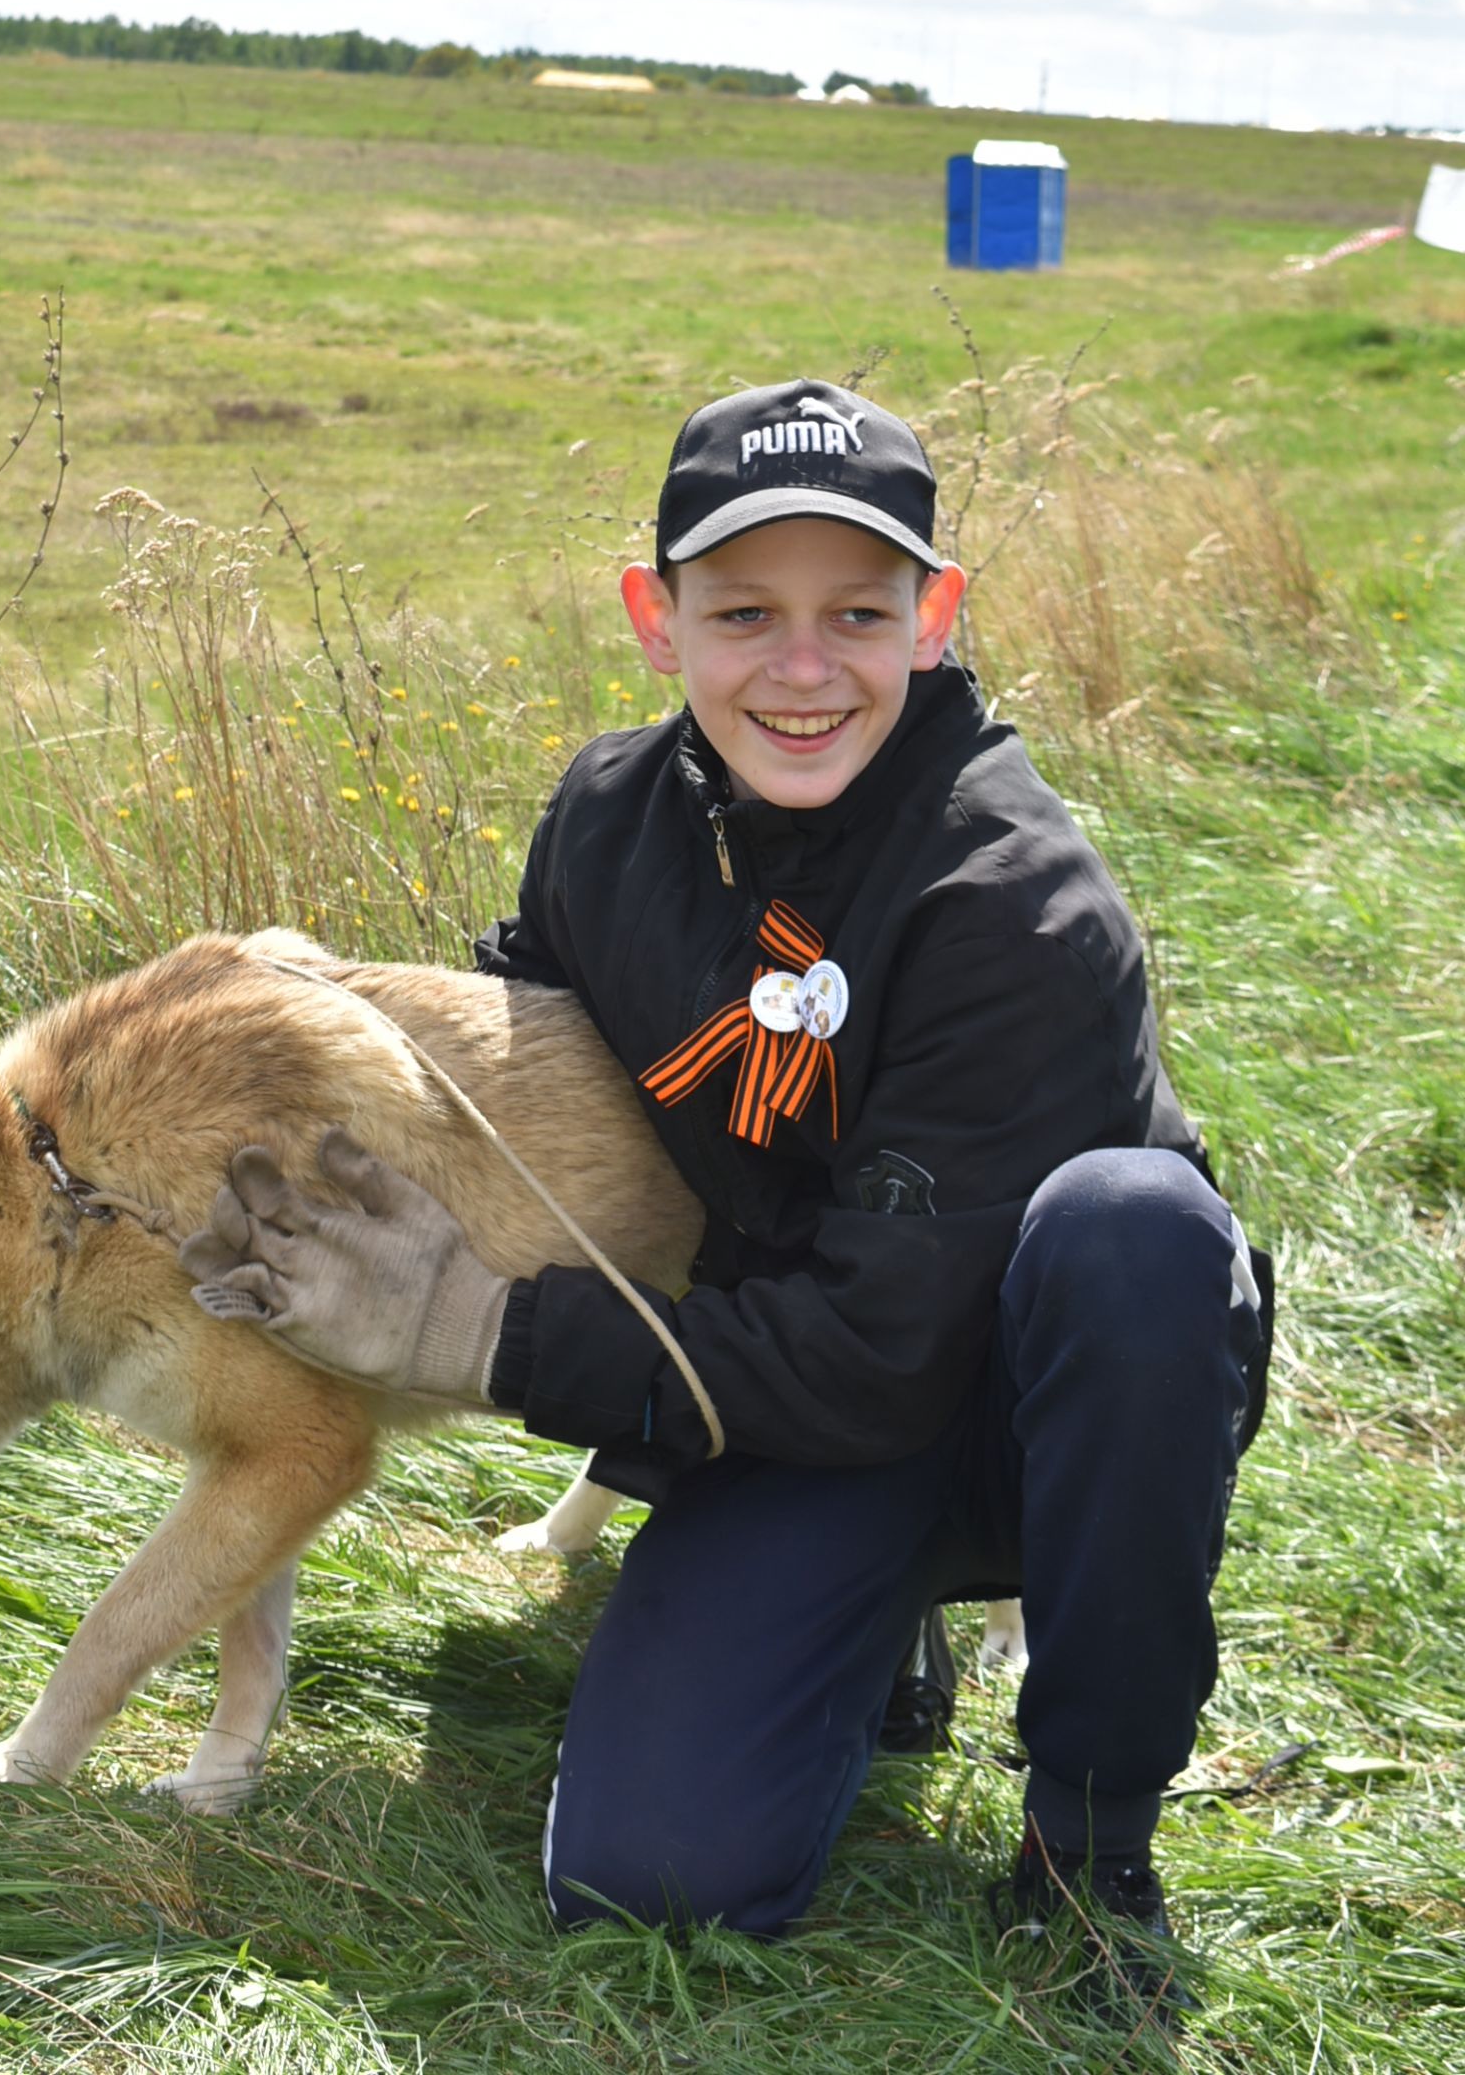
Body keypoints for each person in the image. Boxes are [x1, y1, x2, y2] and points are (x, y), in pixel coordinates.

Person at [183, 378, 1272, 2014]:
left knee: (1139, 1238)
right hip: (780, 1406)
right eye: (745, 610)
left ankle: (1090, 1836)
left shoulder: (1015, 904)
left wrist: (489, 1334)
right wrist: (285, 1127)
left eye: (860, 611)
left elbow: (886, 1354)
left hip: (1030, 1417)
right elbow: (535, 1076)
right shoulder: (609, 822)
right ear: (656, 615)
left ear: (936, 615)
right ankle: (875, 1629)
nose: (804, 665)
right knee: (650, 1883)